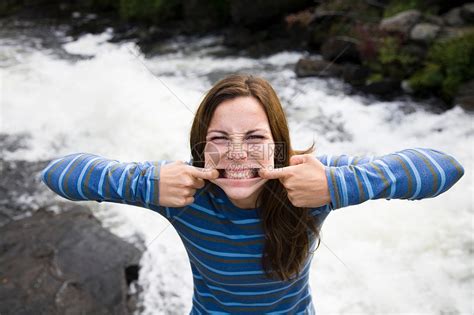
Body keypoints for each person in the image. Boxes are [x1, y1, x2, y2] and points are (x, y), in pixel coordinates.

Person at [41, 74, 465, 314]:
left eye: (255, 136)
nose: (238, 152)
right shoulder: (182, 190)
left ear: (279, 144)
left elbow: (444, 168)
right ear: (200, 147)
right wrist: (148, 183)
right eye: (220, 138)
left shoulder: (310, 181)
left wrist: (338, 185)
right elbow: (59, 173)